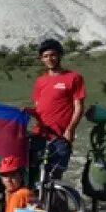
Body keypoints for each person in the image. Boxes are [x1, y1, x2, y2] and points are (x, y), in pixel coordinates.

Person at [30, 38, 85, 180]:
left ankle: (56, 201)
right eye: (46, 56)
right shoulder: (40, 81)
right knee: (34, 173)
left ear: (60, 55)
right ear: (42, 59)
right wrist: (27, 112)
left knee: (54, 175)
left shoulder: (74, 78)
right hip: (40, 134)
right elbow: (38, 107)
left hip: (61, 135)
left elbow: (78, 107)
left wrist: (70, 129)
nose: (50, 59)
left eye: (53, 55)